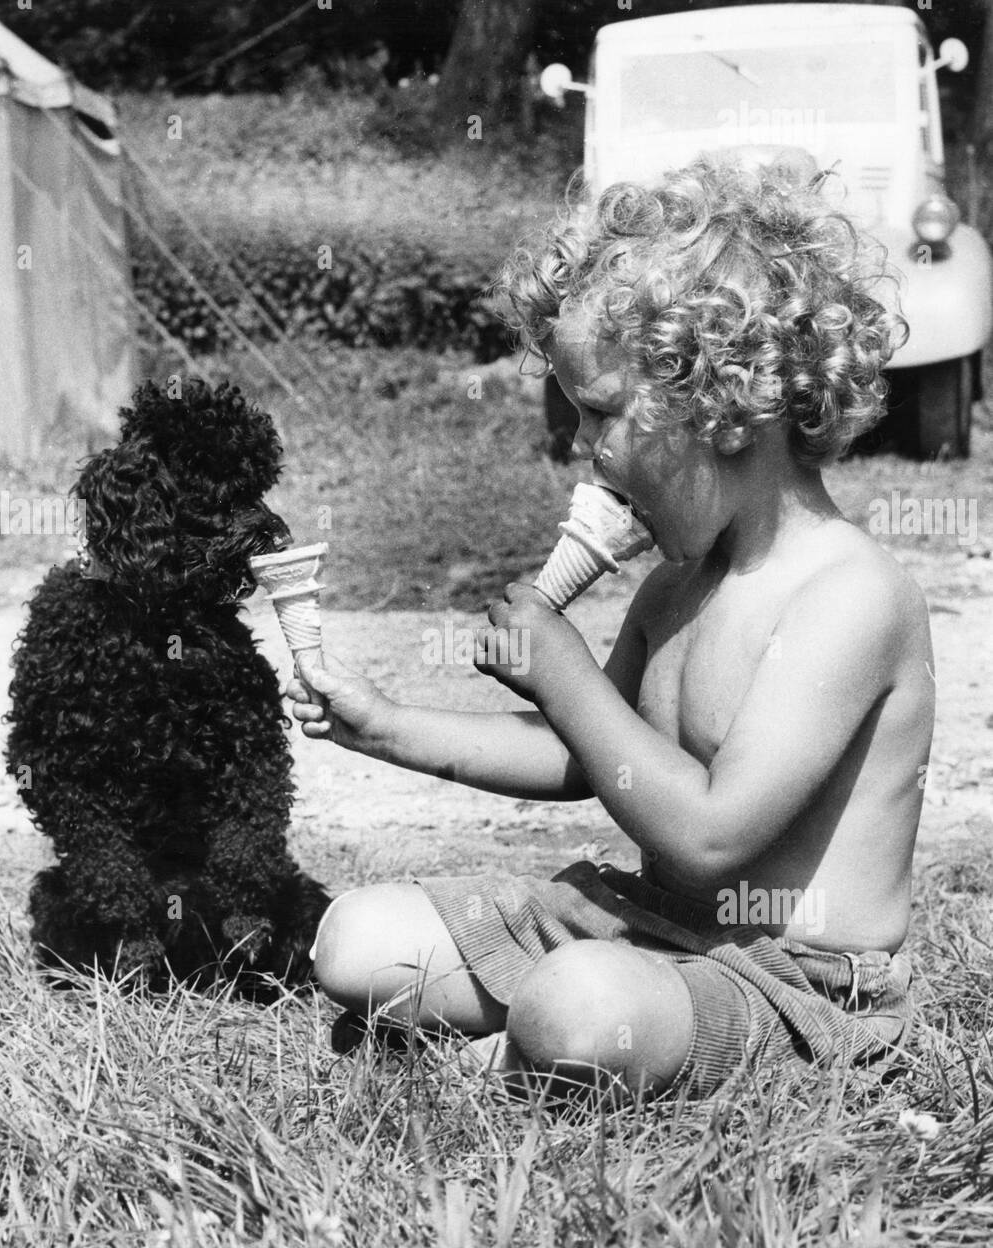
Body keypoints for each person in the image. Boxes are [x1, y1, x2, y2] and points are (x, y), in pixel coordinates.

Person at [288, 151, 935, 1101]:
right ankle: (558, 1031)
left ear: (719, 404)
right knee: (356, 939)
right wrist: (384, 724)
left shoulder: (846, 596)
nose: (583, 454)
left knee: (576, 1003)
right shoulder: (675, 587)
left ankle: (536, 1044)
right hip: (651, 925)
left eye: (598, 415)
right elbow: (593, 756)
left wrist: (564, 670)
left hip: (795, 974)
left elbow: (713, 837)